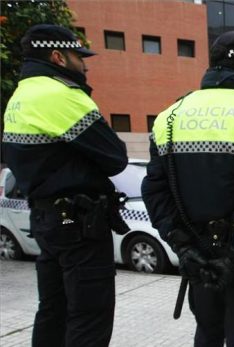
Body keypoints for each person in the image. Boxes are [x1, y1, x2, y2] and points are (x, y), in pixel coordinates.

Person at [142, 30, 234, 347]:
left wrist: (183, 248)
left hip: (198, 256)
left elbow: (155, 192)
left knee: (208, 332)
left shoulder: (169, 116)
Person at [2, 24, 128, 346]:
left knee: (53, 312)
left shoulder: (20, 95)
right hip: (78, 225)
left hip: (47, 221)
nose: (84, 64)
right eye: (78, 56)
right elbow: (115, 156)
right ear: (58, 56)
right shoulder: (60, 94)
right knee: (89, 316)